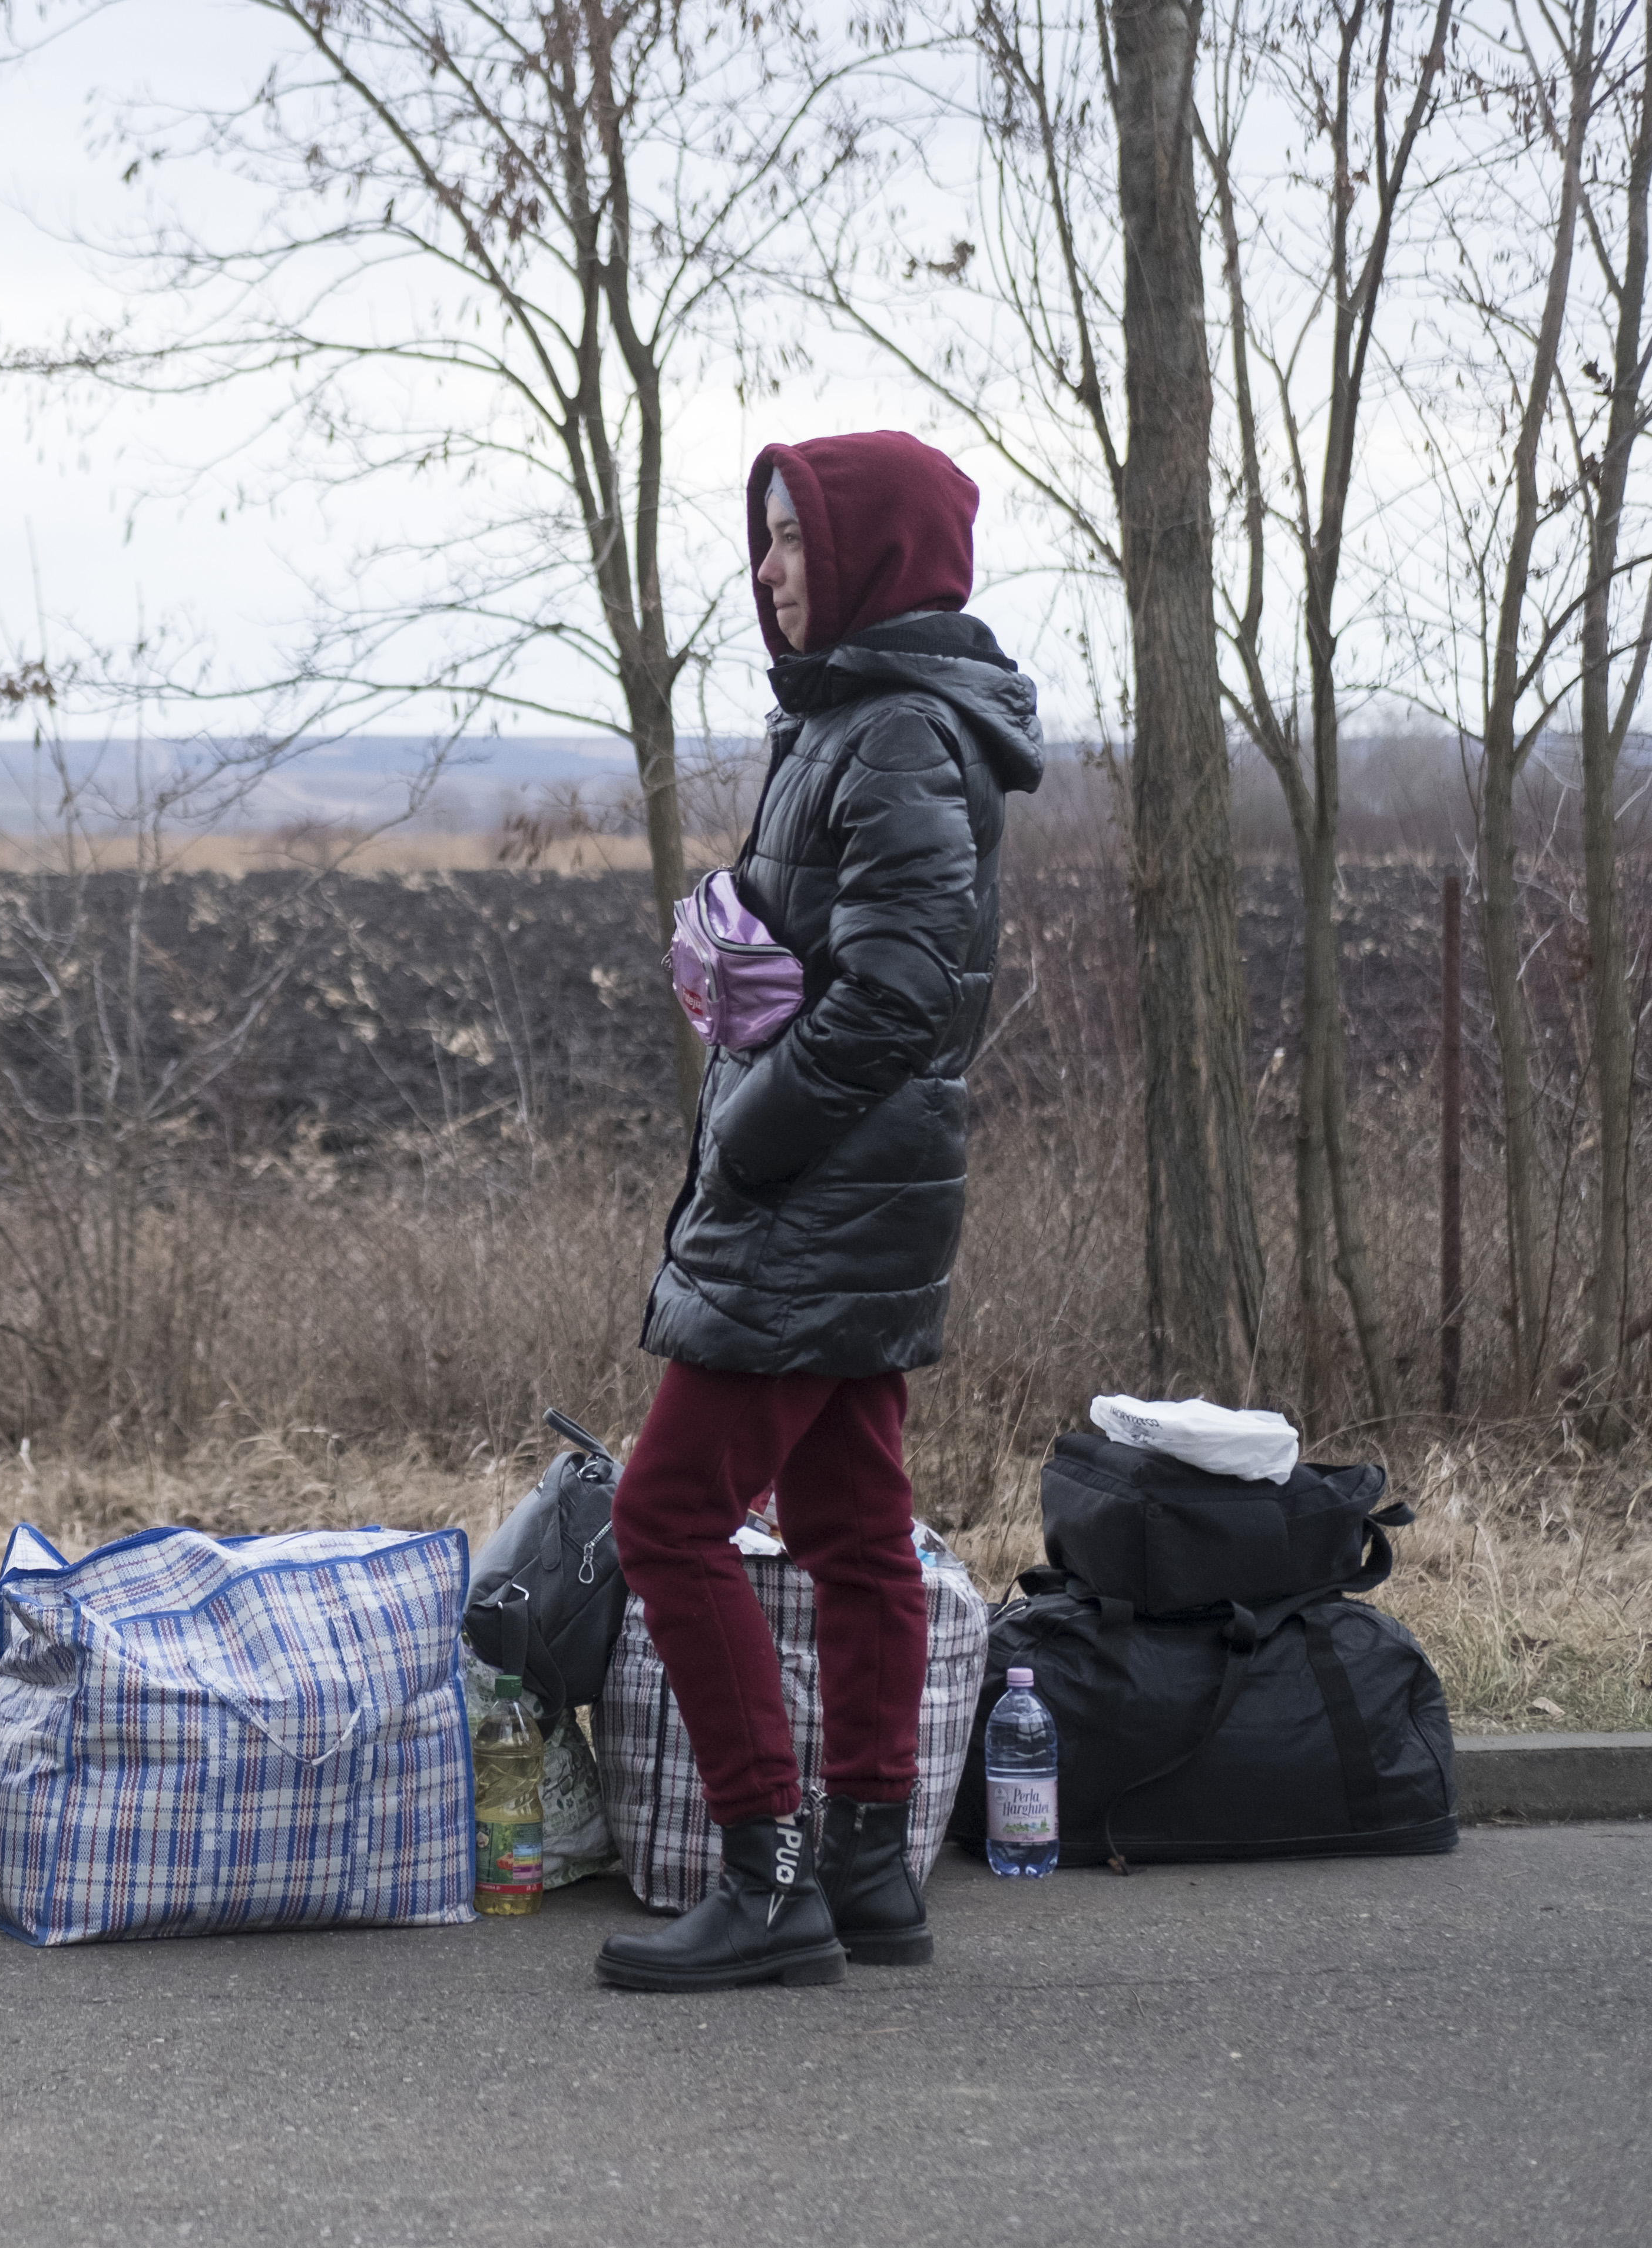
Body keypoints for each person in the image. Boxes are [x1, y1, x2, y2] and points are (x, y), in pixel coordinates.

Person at [594, 433, 1043, 1995]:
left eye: (791, 539)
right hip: (854, 1199)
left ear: (869, 552)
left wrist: (751, 1135)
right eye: (761, 538)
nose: (765, 568)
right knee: (854, 1530)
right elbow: (844, 961)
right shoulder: (854, 727)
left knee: (659, 1513)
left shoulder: (899, 736)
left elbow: (901, 991)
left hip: (817, 1203)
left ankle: (762, 1871)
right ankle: (866, 1869)